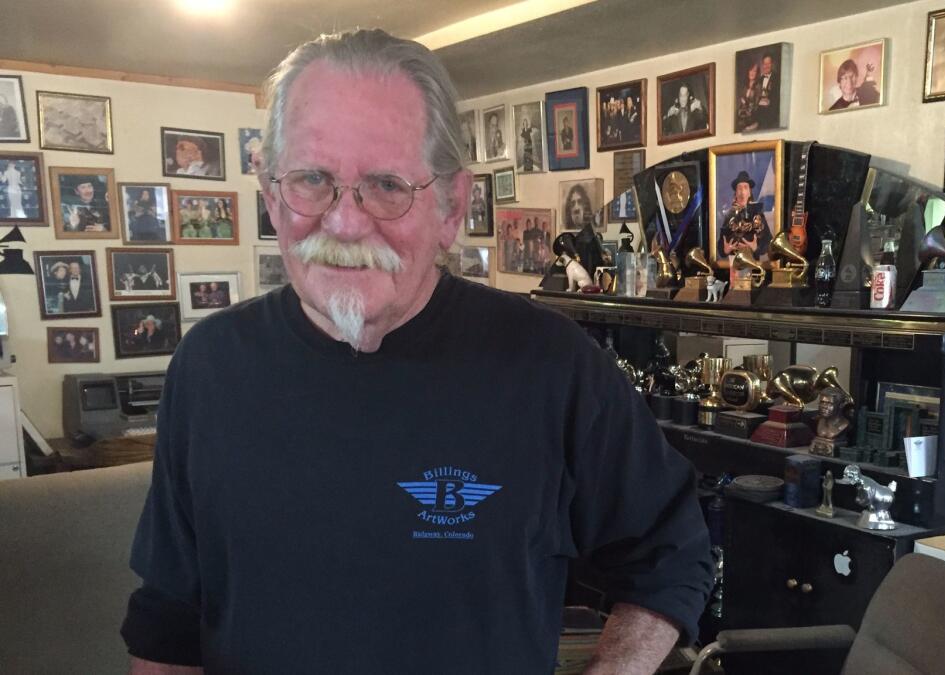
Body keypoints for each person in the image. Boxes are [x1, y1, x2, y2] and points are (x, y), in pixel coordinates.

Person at [122, 29, 711, 674]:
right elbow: (168, 614)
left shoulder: (551, 365)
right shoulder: (209, 367)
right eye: (313, 180)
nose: (345, 222)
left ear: (452, 206)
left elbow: (672, 552)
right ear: (271, 195)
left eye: (386, 185)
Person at [718, 170, 768, 262]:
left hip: (753, 265)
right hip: (734, 266)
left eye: (745, 188)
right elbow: (721, 244)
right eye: (739, 188)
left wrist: (756, 248)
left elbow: (768, 241)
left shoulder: (757, 213)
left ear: (749, 193)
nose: (742, 192)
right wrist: (725, 250)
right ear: (736, 193)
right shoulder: (730, 216)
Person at [754, 53, 779, 129]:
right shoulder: (760, 79)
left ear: (772, 64)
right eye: (765, 63)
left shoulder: (777, 78)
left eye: (769, 63)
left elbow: (777, 98)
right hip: (759, 114)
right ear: (762, 65)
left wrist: (769, 101)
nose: (766, 66)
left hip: (771, 114)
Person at [735, 61, 760, 132]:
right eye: (750, 70)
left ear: (757, 73)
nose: (752, 73)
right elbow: (740, 105)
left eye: (754, 71)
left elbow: (756, 106)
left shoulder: (758, 87)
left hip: (752, 121)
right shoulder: (745, 87)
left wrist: (745, 103)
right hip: (742, 120)